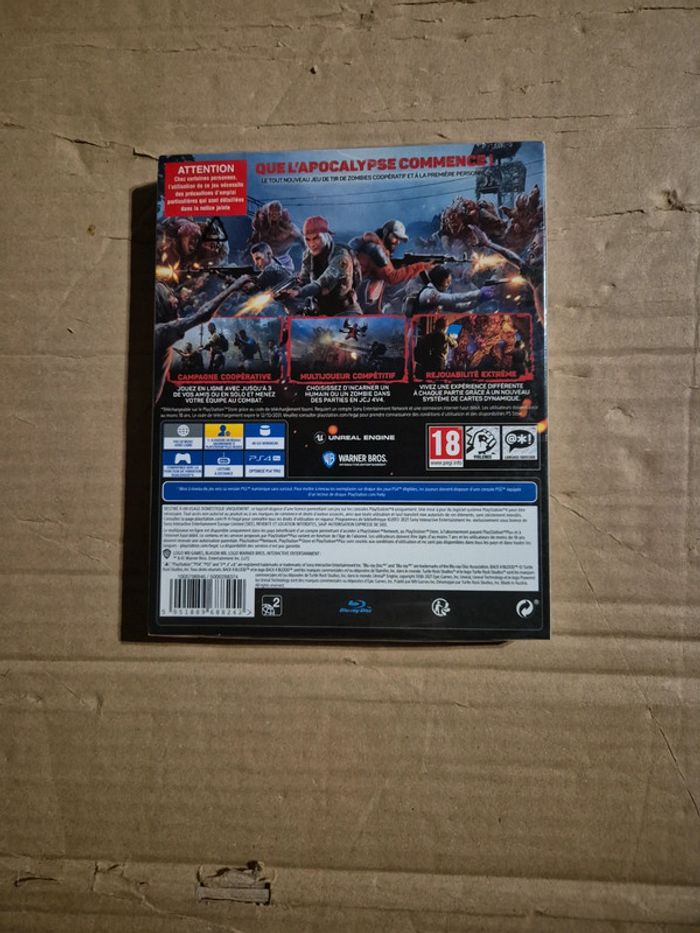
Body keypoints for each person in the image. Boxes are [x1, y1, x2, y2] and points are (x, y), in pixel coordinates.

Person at [349, 219, 434, 312]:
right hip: (357, 298)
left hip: (360, 297)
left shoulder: (375, 247)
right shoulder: (376, 250)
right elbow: (392, 277)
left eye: (399, 239)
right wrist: (420, 266)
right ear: (386, 233)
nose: (397, 242)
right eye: (395, 237)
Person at [283, 216, 361, 315]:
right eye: (307, 239)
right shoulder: (308, 255)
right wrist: (289, 291)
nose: (312, 244)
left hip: (345, 312)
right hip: (320, 312)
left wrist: (299, 293)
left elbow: (323, 282)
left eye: (316, 238)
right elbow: (303, 280)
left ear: (326, 236)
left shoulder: (342, 257)